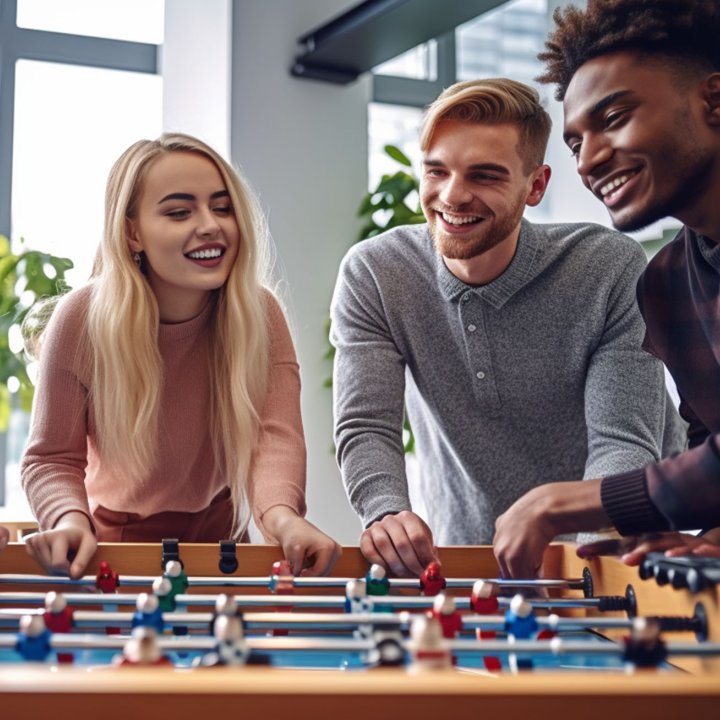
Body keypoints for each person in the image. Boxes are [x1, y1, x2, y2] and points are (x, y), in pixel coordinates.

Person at [330, 78, 684, 577]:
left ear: (535, 186)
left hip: (609, 543)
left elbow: (622, 439)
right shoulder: (375, 273)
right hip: (466, 550)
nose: (453, 196)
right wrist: (386, 510)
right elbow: (366, 425)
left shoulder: (609, 268)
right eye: (437, 171)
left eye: (485, 176)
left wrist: (583, 561)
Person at [20, 133, 341, 579]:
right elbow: (51, 459)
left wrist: (283, 517)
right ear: (132, 232)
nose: (210, 225)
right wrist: (69, 520)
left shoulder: (260, 312)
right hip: (114, 548)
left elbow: (275, 439)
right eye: (178, 211)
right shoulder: (79, 319)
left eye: (222, 207)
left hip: (223, 539)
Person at [493, 0, 720, 578]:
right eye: (574, 143)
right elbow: (709, 443)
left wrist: (571, 501)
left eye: (615, 117)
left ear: (713, 100)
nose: (590, 159)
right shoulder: (666, 283)